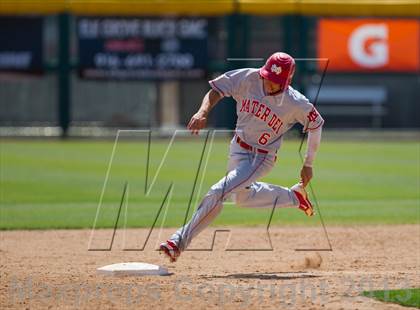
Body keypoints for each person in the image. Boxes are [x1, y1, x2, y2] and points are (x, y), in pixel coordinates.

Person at [160, 52, 324, 262]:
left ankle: (178, 241)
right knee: (243, 199)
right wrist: (203, 112)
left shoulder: (295, 102)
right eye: (268, 76)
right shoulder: (249, 77)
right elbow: (217, 90)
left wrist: (308, 163)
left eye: (276, 81)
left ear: (287, 81)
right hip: (237, 148)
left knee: (219, 191)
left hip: (261, 158)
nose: (269, 83)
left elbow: (317, 125)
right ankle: (294, 197)